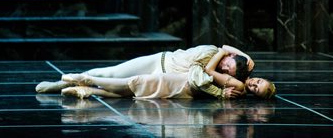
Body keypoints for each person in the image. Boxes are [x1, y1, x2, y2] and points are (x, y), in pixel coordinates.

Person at [36, 44, 254, 99]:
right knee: (110, 73)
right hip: (157, 62)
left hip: (162, 78)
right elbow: (200, 73)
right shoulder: (211, 53)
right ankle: (61, 83)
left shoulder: (217, 72)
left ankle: (82, 89)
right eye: (228, 63)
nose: (224, 67)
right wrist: (247, 60)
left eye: (228, 71)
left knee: (127, 91)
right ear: (231, 55)